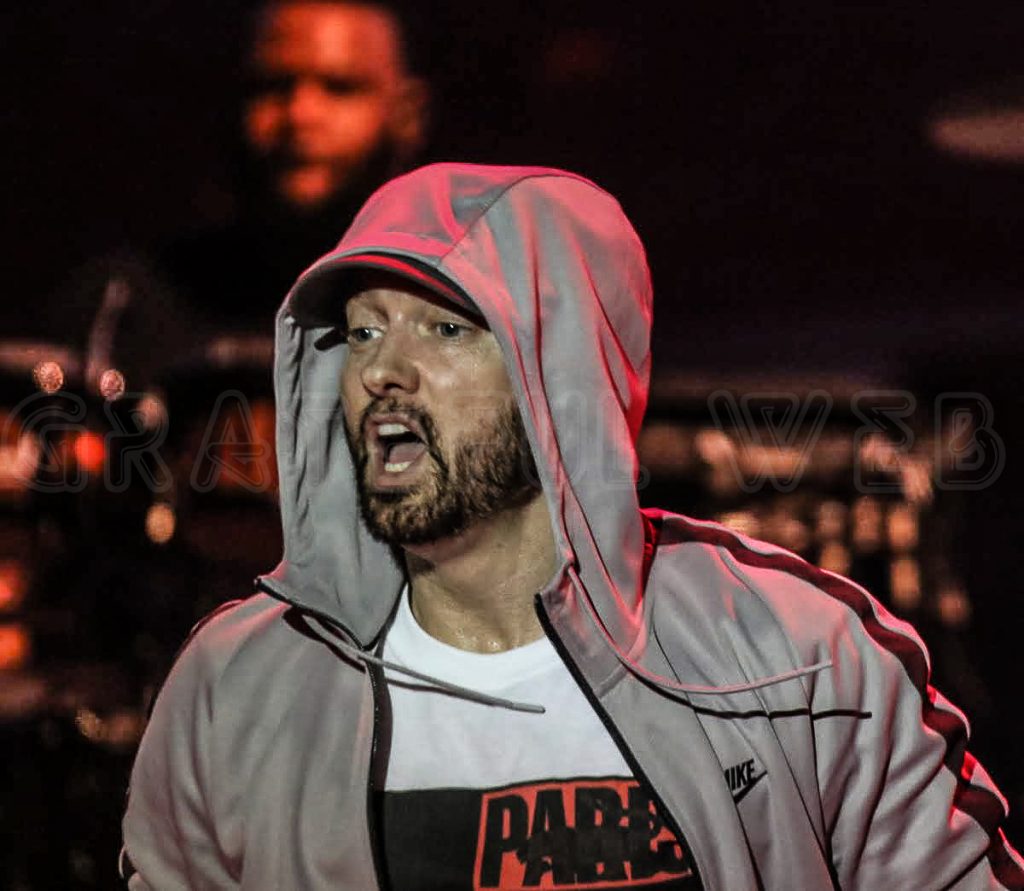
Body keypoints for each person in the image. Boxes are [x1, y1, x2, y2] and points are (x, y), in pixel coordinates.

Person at [121, 163, 1023, 889]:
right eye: (362, 333)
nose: (382, 371)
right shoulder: (237, 687)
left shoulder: (802, 656)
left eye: (444, 329)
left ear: (563, 369)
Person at [161, 0, 429, 335]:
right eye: (272, 86)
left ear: (406, 113)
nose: (300, 114)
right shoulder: (129, 305)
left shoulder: (473, 303)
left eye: (339, 87)